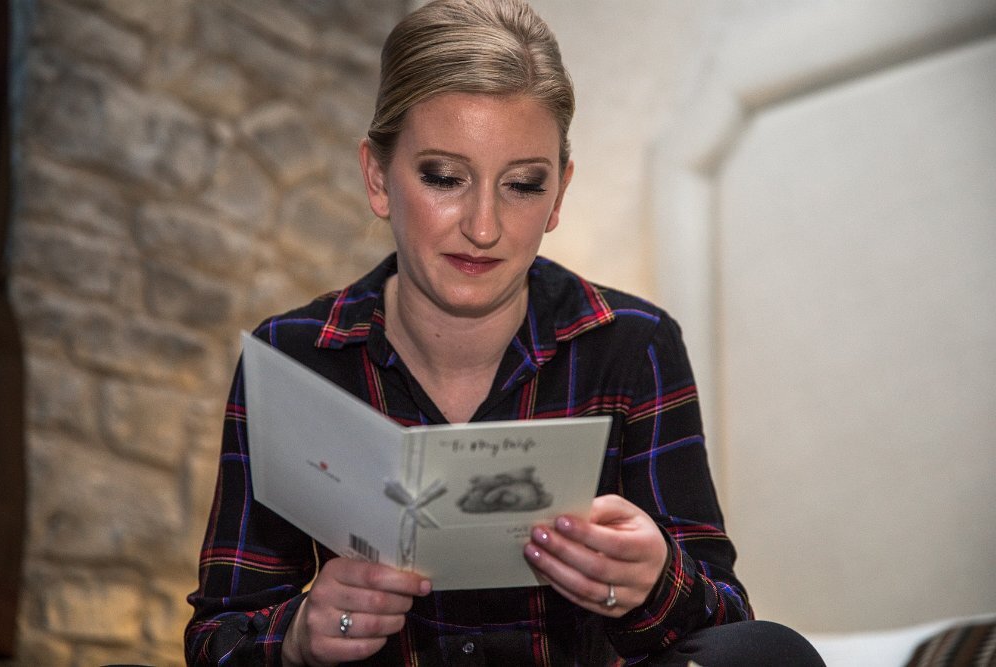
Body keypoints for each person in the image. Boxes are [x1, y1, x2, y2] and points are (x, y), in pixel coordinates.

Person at [185, 1, 824, 665]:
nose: (484, 227)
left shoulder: (632, 345)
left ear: (559, 195)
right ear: (378, 178)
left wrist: (654, 582)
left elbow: (727, 620)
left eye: (522, 185)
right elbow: (216, 637)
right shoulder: (293, 357)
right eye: (444, 178)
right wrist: (297, 635)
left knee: (771, 653)